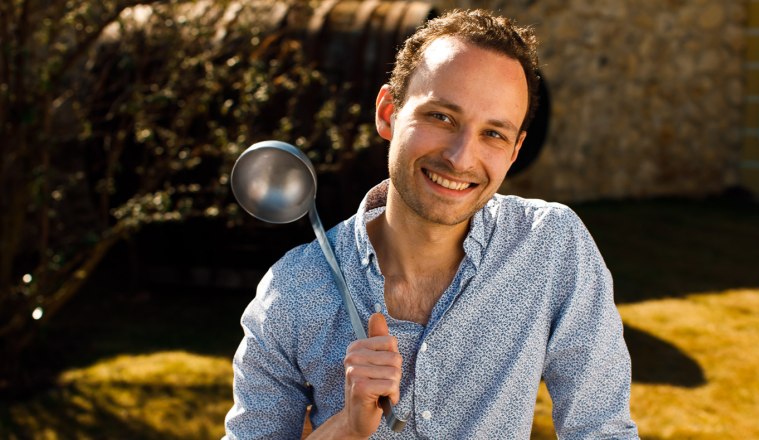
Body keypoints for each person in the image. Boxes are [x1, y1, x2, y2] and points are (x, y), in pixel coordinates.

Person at [224, 9, 639, 439]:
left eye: (494, 134)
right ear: (388, 113)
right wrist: (346, 428)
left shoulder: (551, 247)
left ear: (515, 151)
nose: (460, 158)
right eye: (441, 117)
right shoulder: (293, 290)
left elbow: (603, 430)